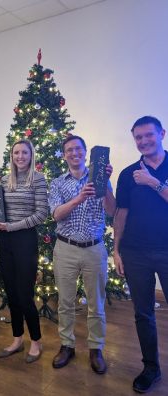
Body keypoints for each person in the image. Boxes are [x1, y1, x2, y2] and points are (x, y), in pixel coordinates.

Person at [49, 135, 115, 374]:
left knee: (96, 303)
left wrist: (106, 183)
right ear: (64, 155)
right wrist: (79, 197)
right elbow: (56, 214)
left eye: (78, 149)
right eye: (69, 150)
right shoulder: (57, 183)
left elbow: (112, 210)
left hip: (94, 249)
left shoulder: (100, 179)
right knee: (65, 302)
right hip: (65, 248)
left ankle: (96, 348)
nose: (74, 153)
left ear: (86, 152)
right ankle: (67, 345)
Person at [114, 116, 168, 393]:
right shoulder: (127, 174)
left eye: (149, 135)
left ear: (162, 133)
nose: (144, 141)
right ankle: (151, 368)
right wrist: (116, 249)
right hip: (135, 253)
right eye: (138, 137)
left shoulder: (147, 174)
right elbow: (121, 213)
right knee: (143, 314)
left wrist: (152, 183)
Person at [0, 139, 48, 363]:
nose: (20, 156)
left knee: (24, 295)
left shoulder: (39, 179)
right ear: (11, 156)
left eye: (25, 152)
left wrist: (12, 226)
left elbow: (41, 214)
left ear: (31, 155)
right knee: (12, 293)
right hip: (4, 240)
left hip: (25, 240)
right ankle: (17, 339)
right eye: (16, 153)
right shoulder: (4, 181)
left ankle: (36, 341)